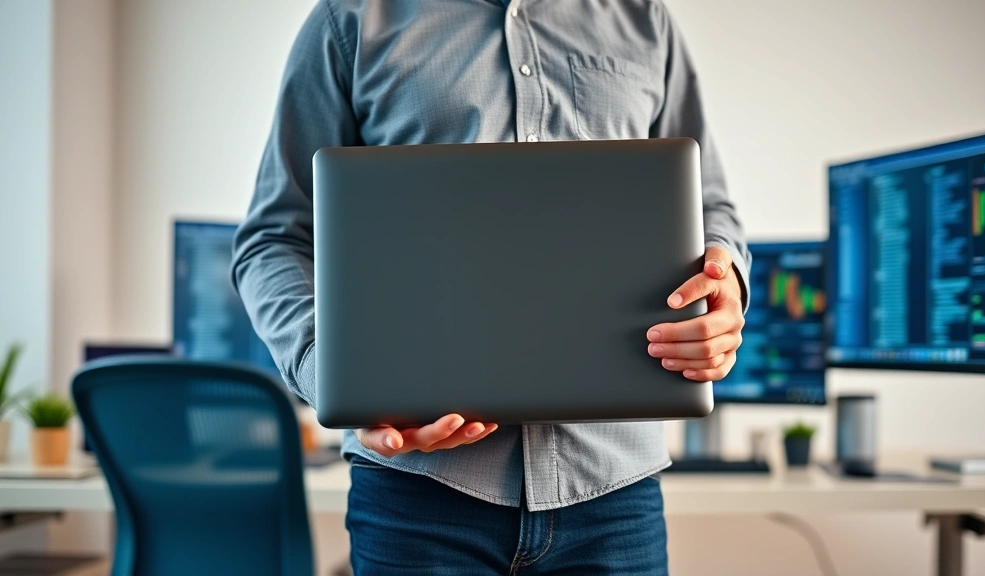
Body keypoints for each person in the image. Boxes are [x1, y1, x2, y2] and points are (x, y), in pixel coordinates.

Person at [232, 1, 750, 573]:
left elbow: (710, 208)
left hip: (614, 498)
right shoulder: (350, 17)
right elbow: (273, 239)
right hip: (417, 500)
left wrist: (725, 285)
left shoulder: (642, 18)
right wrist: (327, 370)